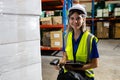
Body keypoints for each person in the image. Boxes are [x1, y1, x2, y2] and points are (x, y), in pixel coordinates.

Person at [55, 4, 99, 80]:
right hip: (70, 73)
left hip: (85, 74)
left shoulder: (90, 39)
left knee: (70, 77)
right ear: (69, 20)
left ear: (83, 19)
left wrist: (76, 69)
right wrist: (61, 62)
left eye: (78, 18)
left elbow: (95, 64)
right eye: (72, 18)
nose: (75, 21)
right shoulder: (66, 37)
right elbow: (65, 55)